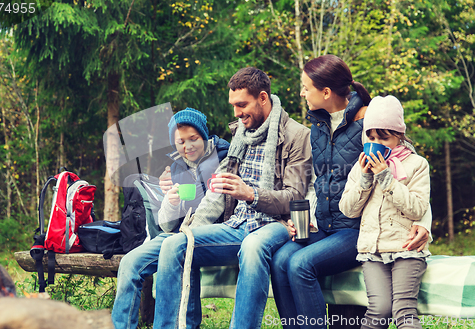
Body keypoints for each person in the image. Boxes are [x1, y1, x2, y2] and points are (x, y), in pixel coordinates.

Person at [270, 55, 431, 329]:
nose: (302, 92)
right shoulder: (318, 126)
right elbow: (318, 179)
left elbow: (408, 163)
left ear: (326, 92)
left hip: (355, 228)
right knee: (281, 259)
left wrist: (423, 224)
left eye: (305, 87)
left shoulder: (369, 123)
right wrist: (306, 215)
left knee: (299, 264)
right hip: (325, 224)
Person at [152, 67, 312, 329]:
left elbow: (295, 196)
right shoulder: (241, 134)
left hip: (277, 225)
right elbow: (216, 194)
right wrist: (190, 231)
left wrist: (251, 194)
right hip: (237, 225)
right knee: (175, 246)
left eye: (242, 105)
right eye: (233, 105)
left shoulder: (297, 136)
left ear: (263, 98)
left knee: (252, 246)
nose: (236, 113)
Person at [111, 108, 230, 329]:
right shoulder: (176, 167)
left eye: (193, 139)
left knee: (176, 249)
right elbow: (165, 224)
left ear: (203, 135)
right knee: (130, 263)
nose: (187, 147)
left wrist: (183, 235)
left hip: (215, 233)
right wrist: (170, 203)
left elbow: (214, 205)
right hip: (177, 234)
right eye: (180, 142)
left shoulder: (223, 158)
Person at [339, 95, 430, 328]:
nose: (376, 142)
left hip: (406, 249)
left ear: (399, 136)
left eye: (384, 137)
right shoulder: (359, 169)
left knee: (403, 310)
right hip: (372, 252)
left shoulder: (417, 164)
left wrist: (386, 177)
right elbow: (348, 209)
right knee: (378, 310)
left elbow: (418, 207)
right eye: (370, 137)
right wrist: (366, 178)